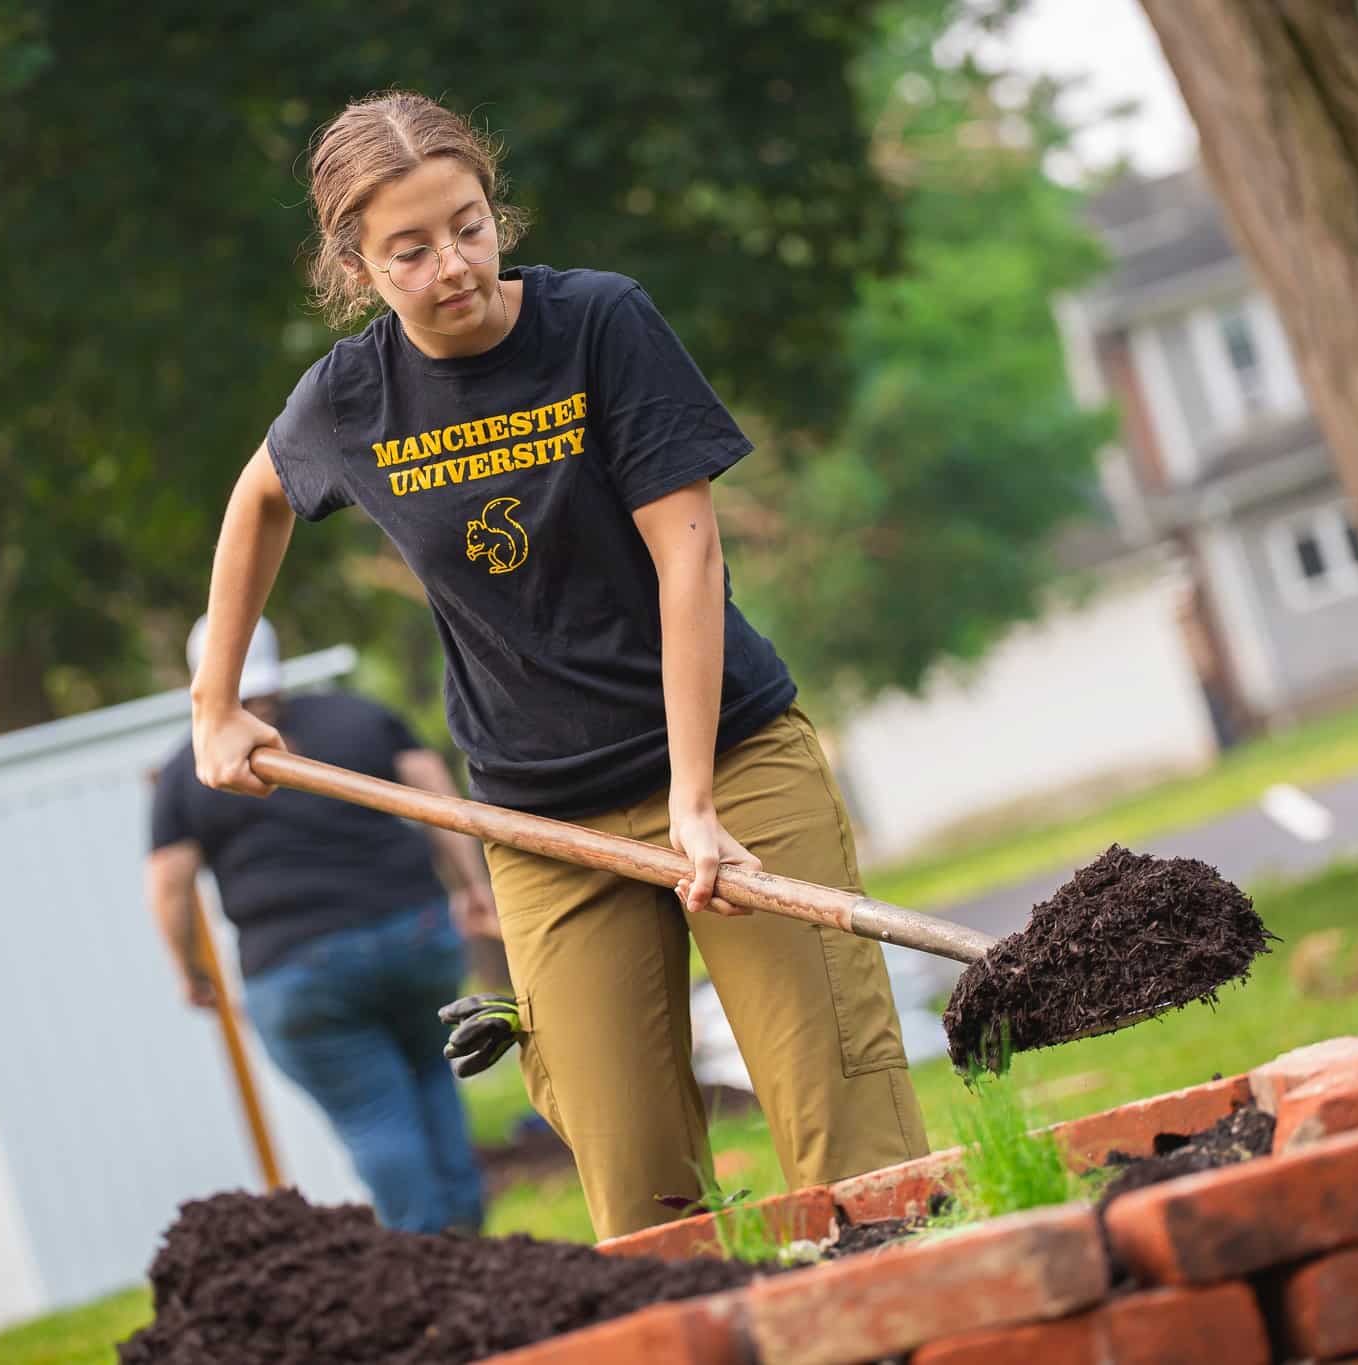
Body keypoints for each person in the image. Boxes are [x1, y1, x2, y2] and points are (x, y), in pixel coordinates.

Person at [188, 91, 930, 1240]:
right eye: (412, 249)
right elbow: (258, 499)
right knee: (630, 1175)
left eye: (470, 226)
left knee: (840, 1115)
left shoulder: (598, 325)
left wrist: (691, 800)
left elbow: (687, 558)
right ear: (355, 263)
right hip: (541, 822)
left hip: (729, 769)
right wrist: (215, 703)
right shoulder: (351, 397)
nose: (455, 265)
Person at [147, 615, 497, 1233]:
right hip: (413, 937)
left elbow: (170, 883)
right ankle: (468, 1237)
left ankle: (431, 1259)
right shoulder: (355, 717)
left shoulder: (188, 768)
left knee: (373, 1113)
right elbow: (434, 788)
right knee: (432, 1077)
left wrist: (189, 972)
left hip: (296, 970)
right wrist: (473, 888)